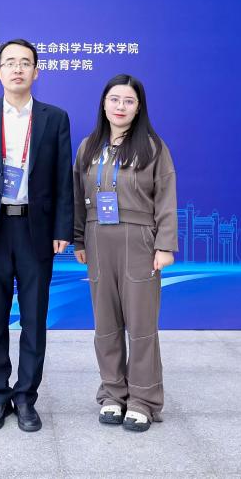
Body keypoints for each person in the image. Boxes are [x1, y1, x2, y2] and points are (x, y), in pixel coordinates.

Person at [0, 38, 74, 432]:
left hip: (35, 228)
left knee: (34, 318)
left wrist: (63, 228)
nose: (17, 69)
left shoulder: (55, 118)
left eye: (25, 62)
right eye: (10, 62)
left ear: (36, 72)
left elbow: (63, 179)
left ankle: (25, 398)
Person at [72, 74, 177, 432]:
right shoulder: (88, 147)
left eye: (128, 101)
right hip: (97, 239)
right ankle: (113, 394)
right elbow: (76, 196)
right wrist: (78, 240)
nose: (120, 106)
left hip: (140, 241)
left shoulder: (153, 148)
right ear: (103, 104)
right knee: (105, 324)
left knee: (141, 325)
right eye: (114, 99)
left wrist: (165, 245)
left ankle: (143, 400)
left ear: (138, 107)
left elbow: (166, 198)